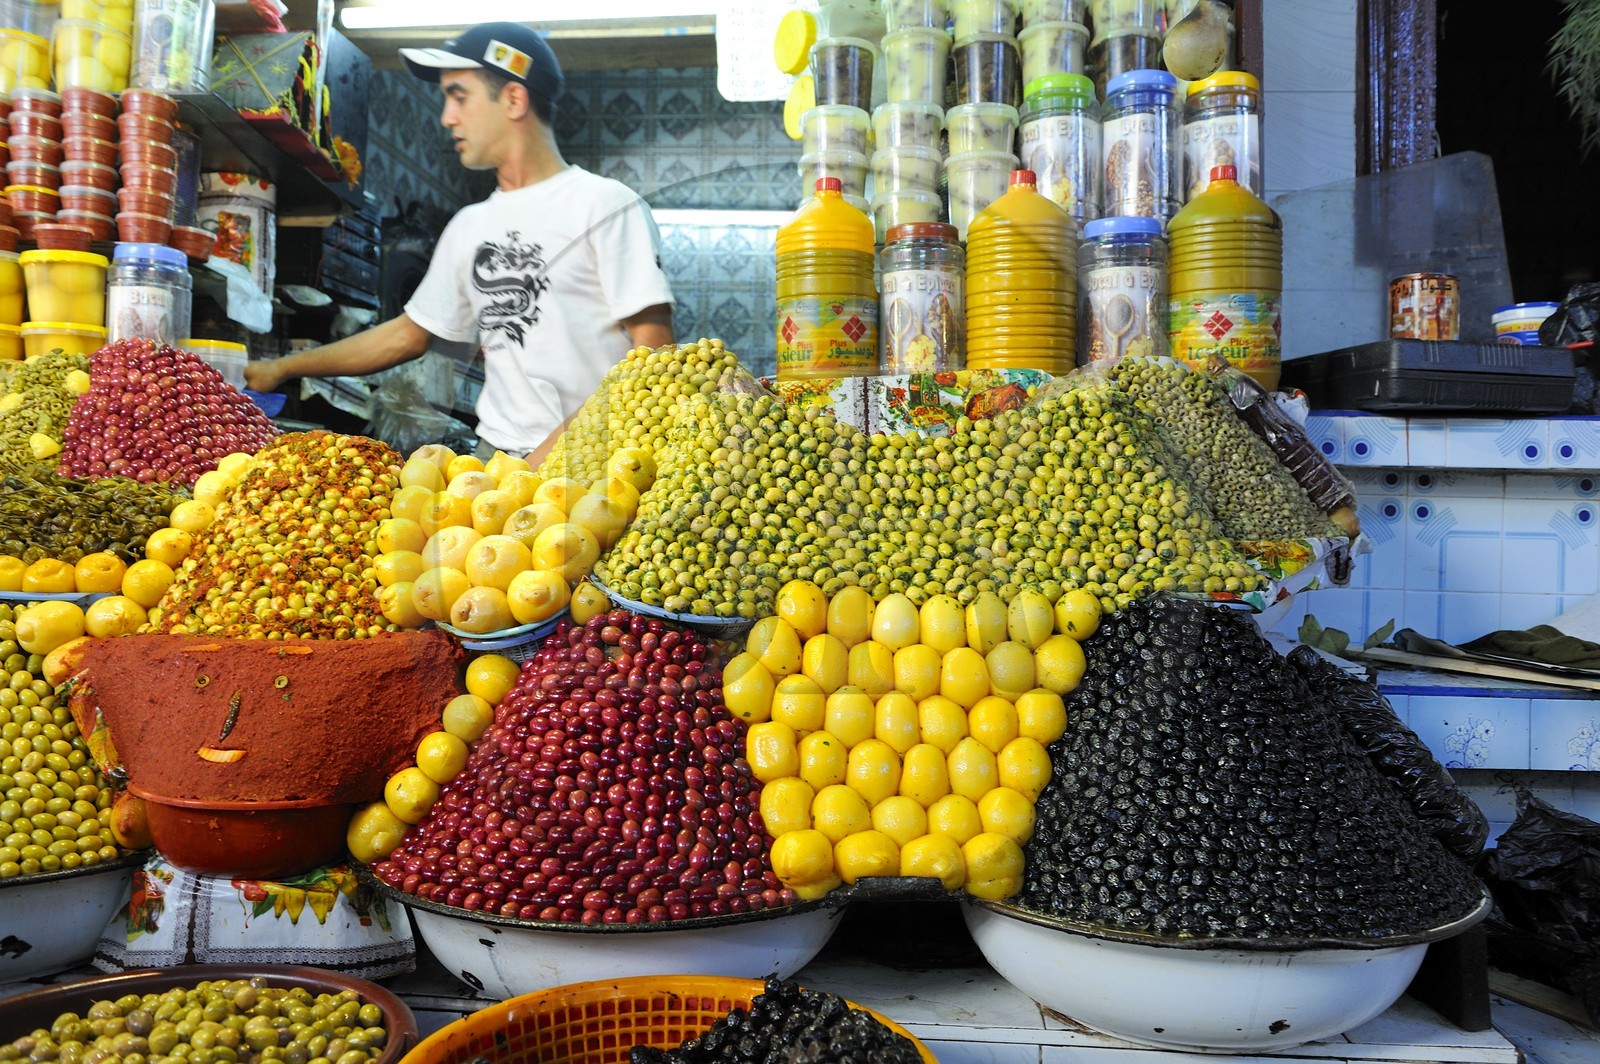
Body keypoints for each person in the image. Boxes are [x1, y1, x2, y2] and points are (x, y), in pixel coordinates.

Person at [244, 22, 675, 463]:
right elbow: (407, 335)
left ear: (513, 98)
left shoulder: (604, 205)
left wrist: (548, 459)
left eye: (459, 96)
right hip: (498, 460)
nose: (446, 117)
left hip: (594, 464)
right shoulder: (471, 225)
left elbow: (654, 355)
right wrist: (282, 368)